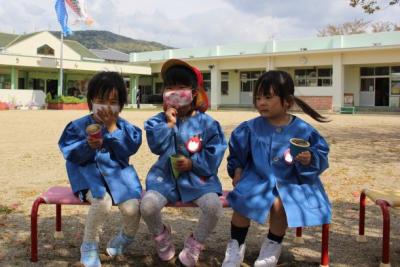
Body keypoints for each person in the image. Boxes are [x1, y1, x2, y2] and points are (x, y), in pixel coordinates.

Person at [221, 70, 331, 267]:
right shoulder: (250, 128)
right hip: (258, 177)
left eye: (268, 97)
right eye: (258, 97)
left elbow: (320, 154)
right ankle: (236, 246)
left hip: (291, 180)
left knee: (281, 205)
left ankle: (272, 246)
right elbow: (237, 153)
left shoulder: (303, 130)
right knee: (243, 200)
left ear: (287, 101)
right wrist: (237, 171)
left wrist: (309, 158)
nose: (261, 102)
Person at [140, 59, 227, 267]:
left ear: (194, 92)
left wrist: (193, 163)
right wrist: (168, 124)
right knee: (148, 205)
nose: (175, 92)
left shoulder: (208, 124)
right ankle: (161, 236)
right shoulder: (157, 121)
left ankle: (195, 243)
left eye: (182, 87)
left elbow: (215, 154)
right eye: (170, 87)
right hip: (164, 178)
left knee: (214, 207)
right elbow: (156, 147)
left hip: (199, 180)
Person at [58, 71, 142, 267]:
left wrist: (112, 128)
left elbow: (131, 147)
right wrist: (88, 146)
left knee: (132, 209)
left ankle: (126, 237)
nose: (106, 106)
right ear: (91, 101)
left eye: (113, 101)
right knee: (101, 202)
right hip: (89, 179)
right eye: (101, 100)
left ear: (121, 105)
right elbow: (70, 154)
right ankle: (89, 245)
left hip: (119, 179)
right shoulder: (78, 127)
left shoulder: (124, 127)